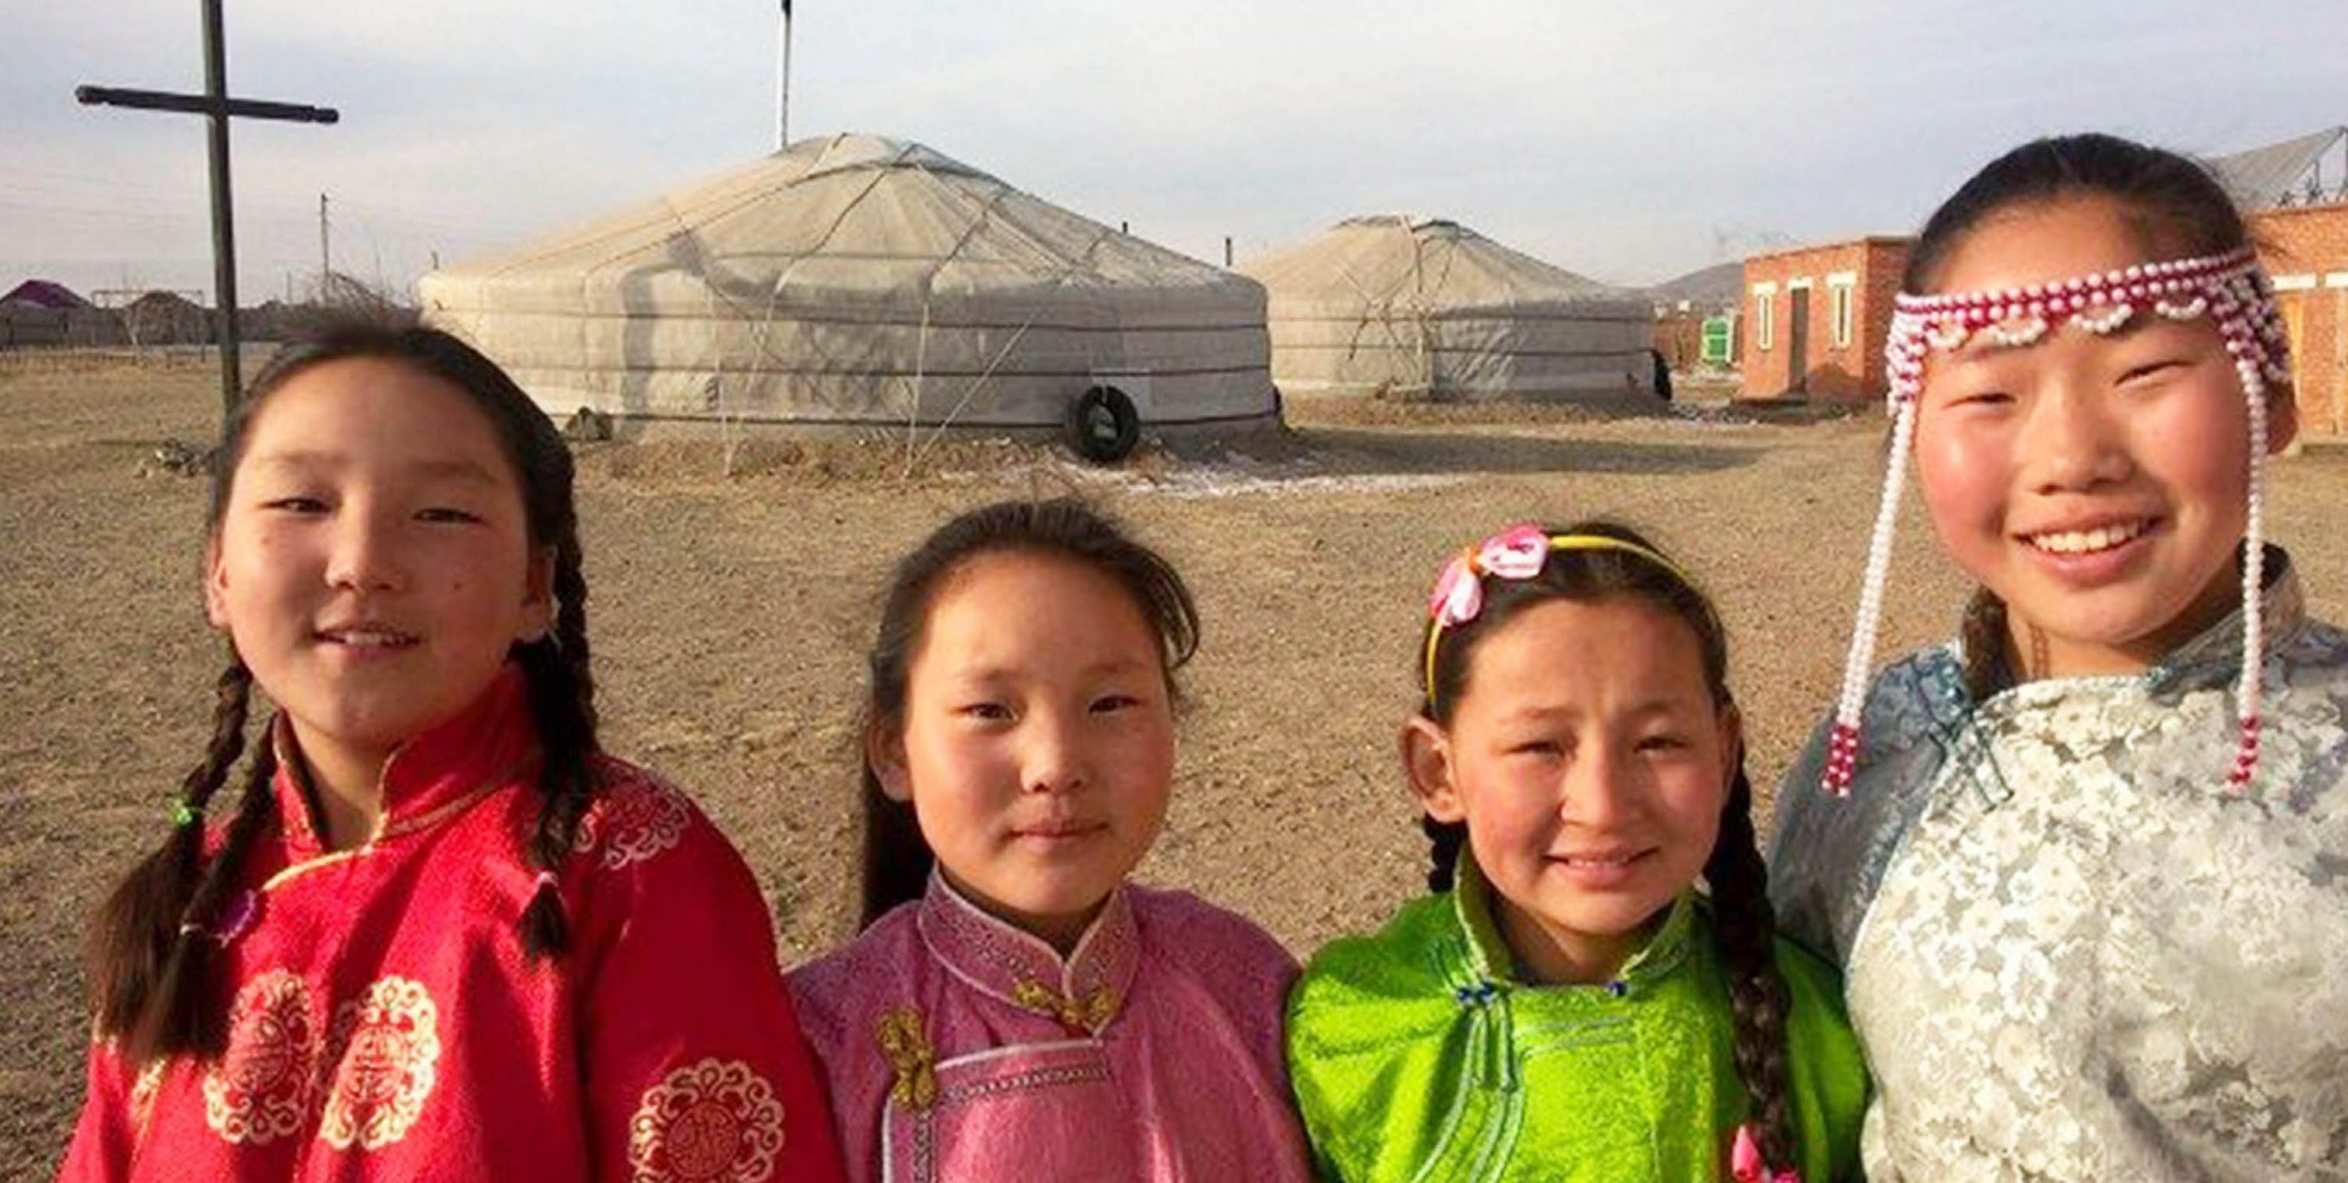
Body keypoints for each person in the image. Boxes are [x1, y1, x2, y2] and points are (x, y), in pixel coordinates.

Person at [1771, 132, 2348, 1180]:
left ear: (2271, 394)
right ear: (1913, 433)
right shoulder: (1871, 750)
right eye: (1991, 395)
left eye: (2143, 373)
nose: (2072, 459)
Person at [55, 317, 841, 1181]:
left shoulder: (626, 870)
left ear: (535, 585)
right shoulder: (189, 899)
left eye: (441, 512)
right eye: (302, 503)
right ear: (217, 570)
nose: (362, 563)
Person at [1288, 521, 1869, 1183]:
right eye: (1541, 747)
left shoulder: (1820, 1031)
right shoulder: (1353, 1028)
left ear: (1724, 749)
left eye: (1657, 743)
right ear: (1438, 771)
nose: (1603, 805)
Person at [787, 498, 1311, 1181]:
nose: (1056, 764)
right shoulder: (815, 1043)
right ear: (893, 750)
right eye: (990, 710)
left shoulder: (1247, 987)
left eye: (1110, 703)